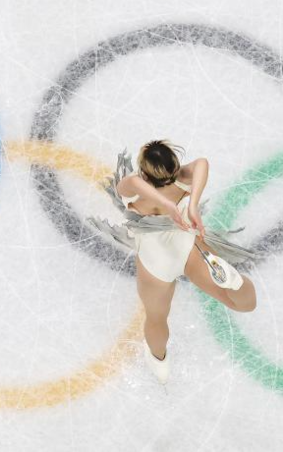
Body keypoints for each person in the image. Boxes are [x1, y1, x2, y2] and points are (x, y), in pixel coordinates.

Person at [88, 140, 258, 385]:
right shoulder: (182, 178)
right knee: (244, 304)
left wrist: (167, 206)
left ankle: (159, 361)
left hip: (154, 258)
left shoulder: (134, 186)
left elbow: (131, 184)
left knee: (156, 317)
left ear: (145, 172)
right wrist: (192, 205)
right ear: (174, 165)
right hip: (187, 245)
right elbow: (202, 163)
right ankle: (233, 281)